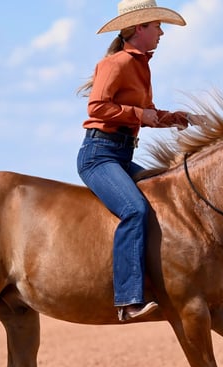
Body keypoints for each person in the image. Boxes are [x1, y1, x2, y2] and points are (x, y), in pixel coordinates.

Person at [77, 0, 200, 322]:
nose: (162, 32)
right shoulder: (115, 64)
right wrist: (138, 114)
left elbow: (147, 113)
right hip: (99, 156)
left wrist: (177, 118)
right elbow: (96, 108)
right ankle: (128, 300)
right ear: (140, 28)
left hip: (121, 155)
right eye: (157, 26)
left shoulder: (141, 65)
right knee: (135, 210)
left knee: (166, 201)